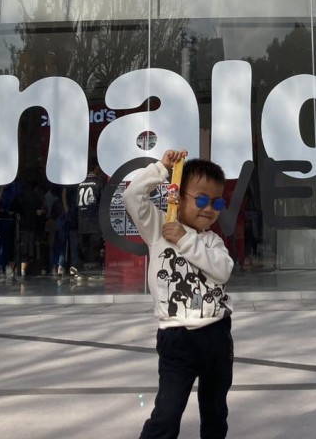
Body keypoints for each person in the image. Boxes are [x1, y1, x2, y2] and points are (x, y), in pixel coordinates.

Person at [124, 150, 234, 439]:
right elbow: (132, 196)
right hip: (177, 339)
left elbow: (222, 270)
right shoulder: (158, 227)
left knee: (215, 411)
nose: (208, 208)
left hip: (216, 336)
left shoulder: (213, 241)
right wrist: (162, 168)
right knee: (168, 412)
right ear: (177, 196)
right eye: (200, 199)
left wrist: (185, 240)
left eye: (216, 202)